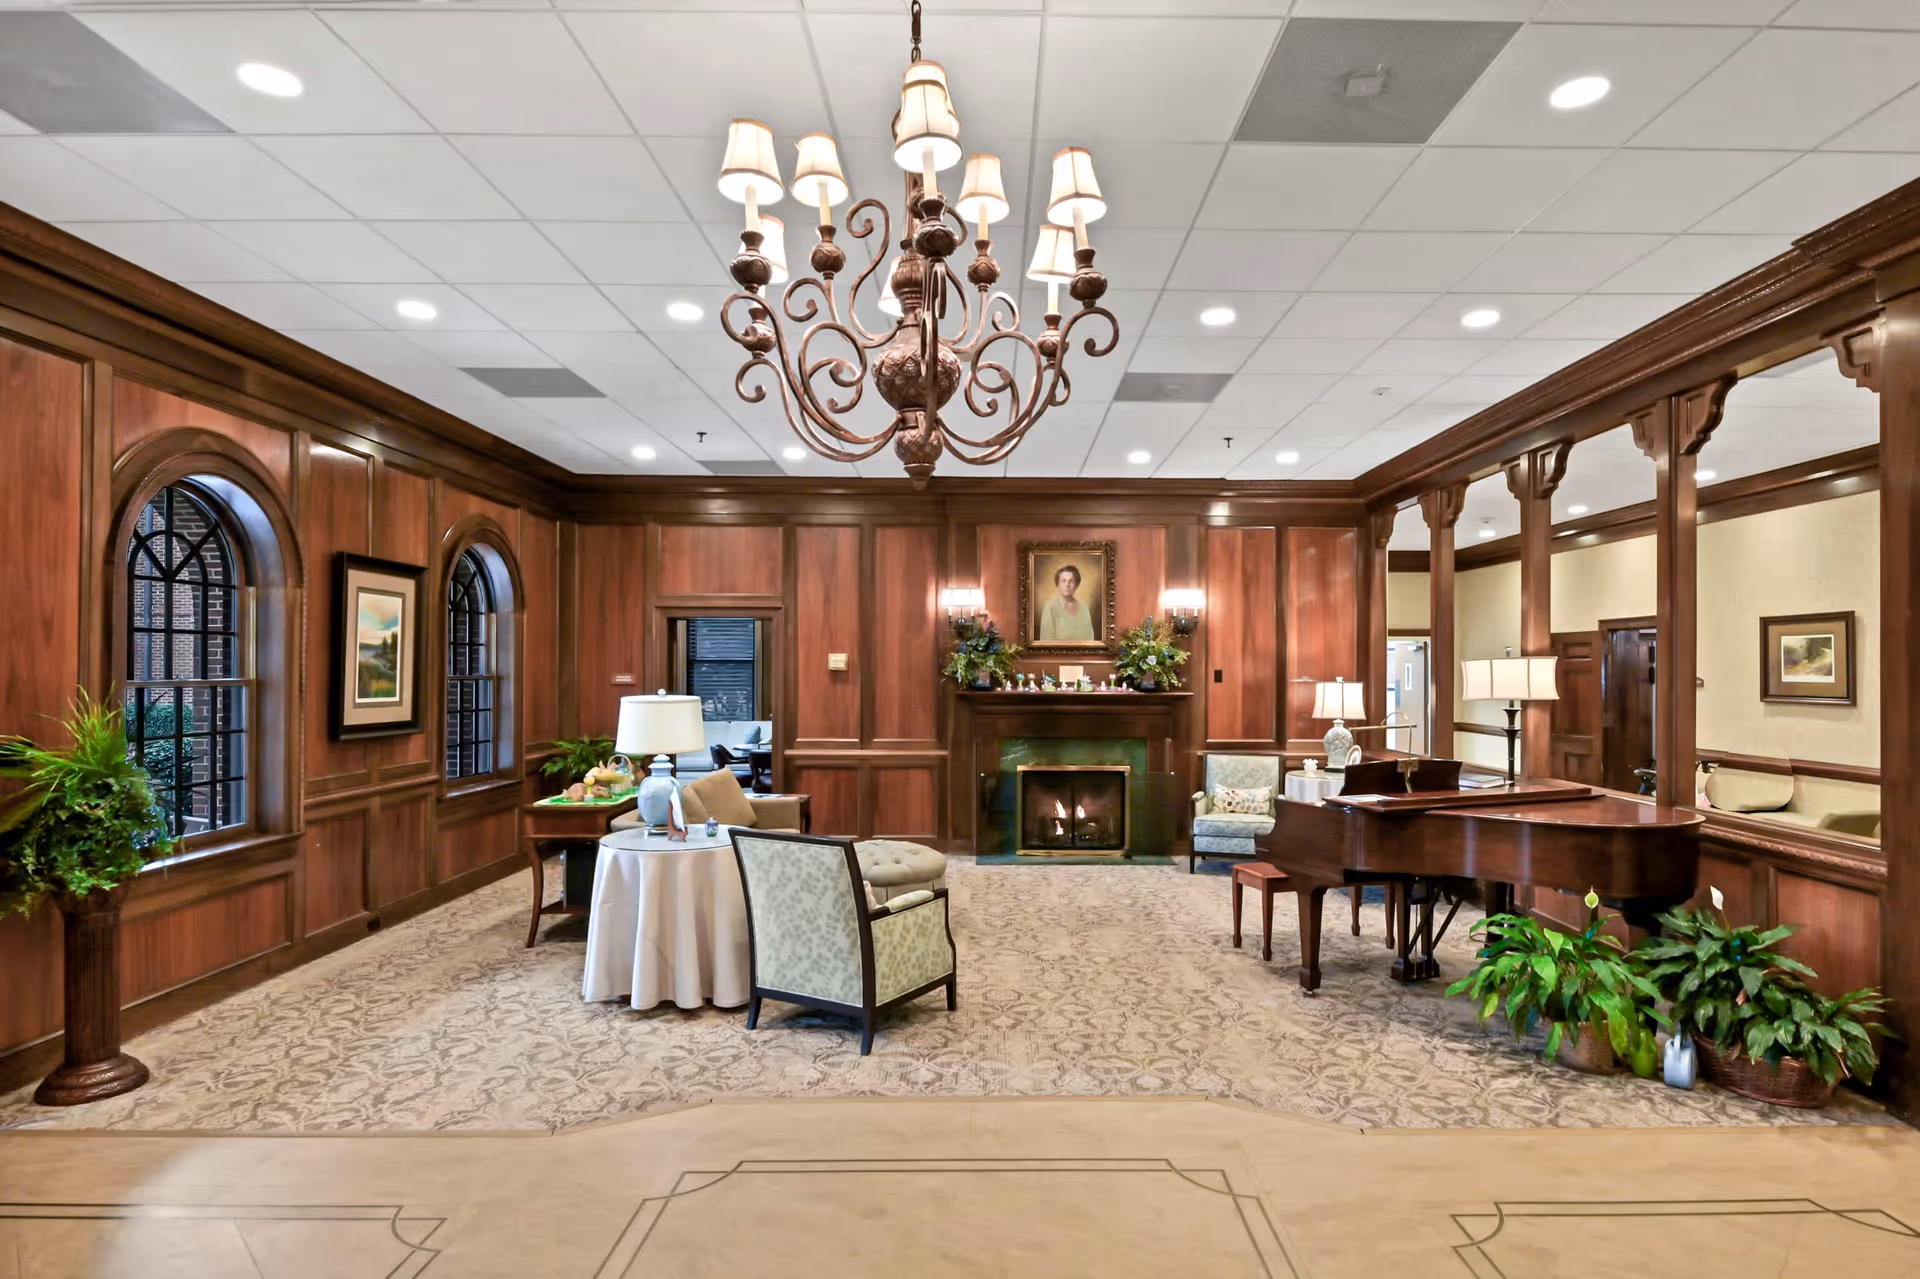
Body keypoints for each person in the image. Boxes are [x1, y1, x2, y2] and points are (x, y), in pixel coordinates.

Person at [1038, 563, 1096, 642]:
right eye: (1063, 581)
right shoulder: (1050, 607)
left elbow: (1090, 638)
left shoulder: (1084, 607)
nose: (1067, 585)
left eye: (1071, 581)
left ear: (1076, 584)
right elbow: (1046, 641)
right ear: (1058, 585)